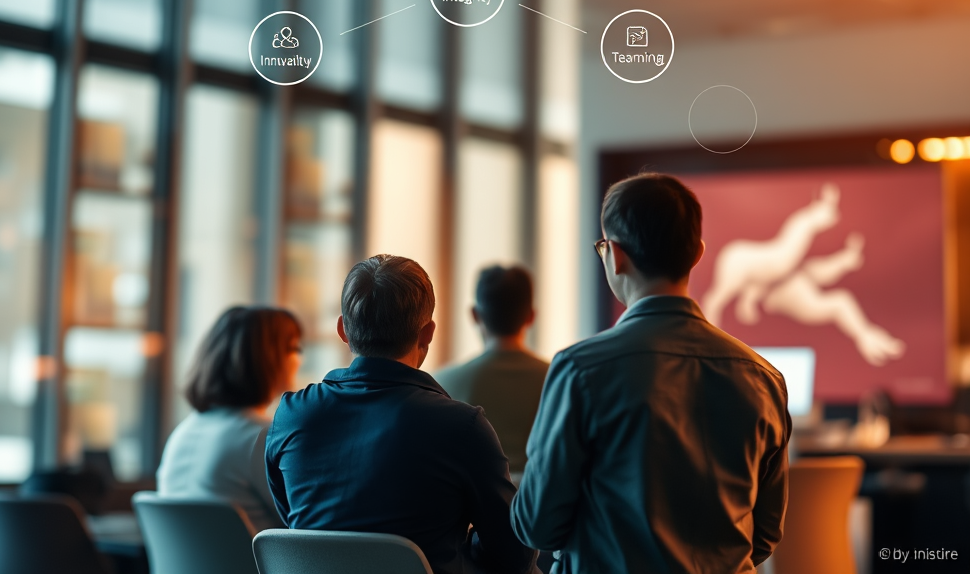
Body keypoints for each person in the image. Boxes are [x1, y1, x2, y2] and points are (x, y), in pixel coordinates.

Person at [511, 173, 791, 574]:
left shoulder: (580, 370)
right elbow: (763, 535)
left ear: (616, 255)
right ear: (697, 253)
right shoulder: (764, 378)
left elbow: (536, 526)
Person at [265, 254, 537, 574]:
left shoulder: (292, 415)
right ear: (428, 334)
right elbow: (514, 556)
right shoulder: (462, 427)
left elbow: (295, 524)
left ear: (342, 329)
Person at [157, 305, 302, 532]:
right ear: (267, 358)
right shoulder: (262, 437)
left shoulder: (183, 432)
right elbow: (305, 526)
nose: (298, 360)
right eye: (294, 348)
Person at [435, 265, 549, 476]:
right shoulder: (558, 378)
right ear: (531, 316)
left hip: (472, 506)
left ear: (475, 315)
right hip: (540, 504)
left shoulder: (440, 385)